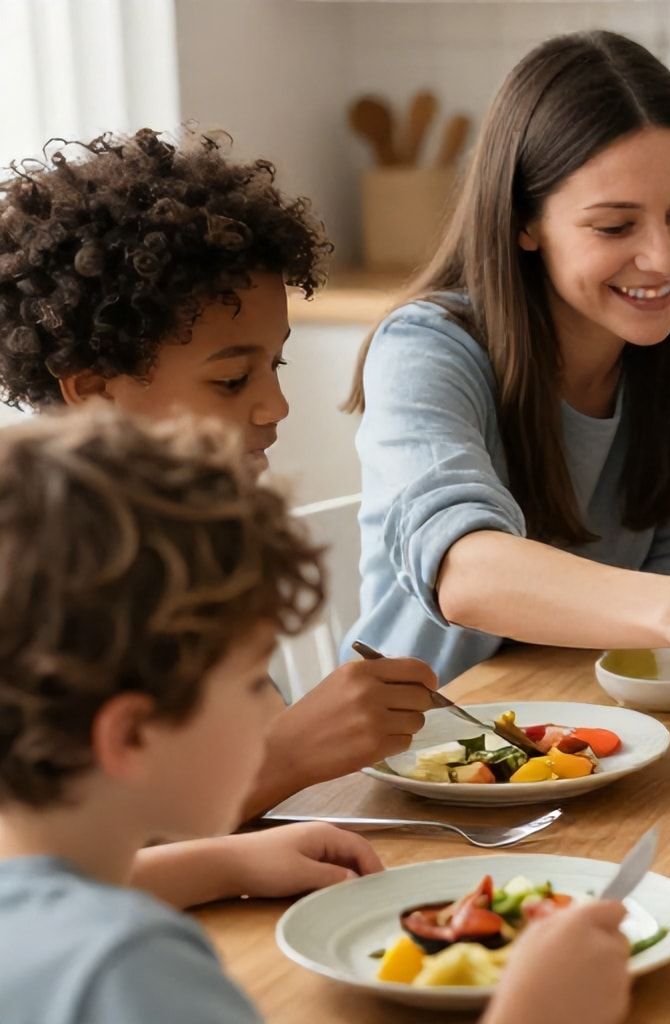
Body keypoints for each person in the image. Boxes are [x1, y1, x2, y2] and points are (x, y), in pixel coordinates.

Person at [0, 409, 634, 1024]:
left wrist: (221, 864)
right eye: (253, 681)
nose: (273, 705)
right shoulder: (128, 969)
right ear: (133, 735)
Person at [344, 31, 670, 736]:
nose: (664, 258)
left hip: (600, 728)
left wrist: (664, 646)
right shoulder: (426, 346)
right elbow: (463, 570)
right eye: (615, 225)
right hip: (421, 741)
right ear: (524, 222)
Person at [0, 128, 436, 813]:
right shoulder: (33, 589)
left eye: (276, 363)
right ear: (91, 391)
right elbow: (56, 870)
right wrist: (288, 754)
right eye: (233, 379)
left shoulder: (195, 546)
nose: (277, 404)